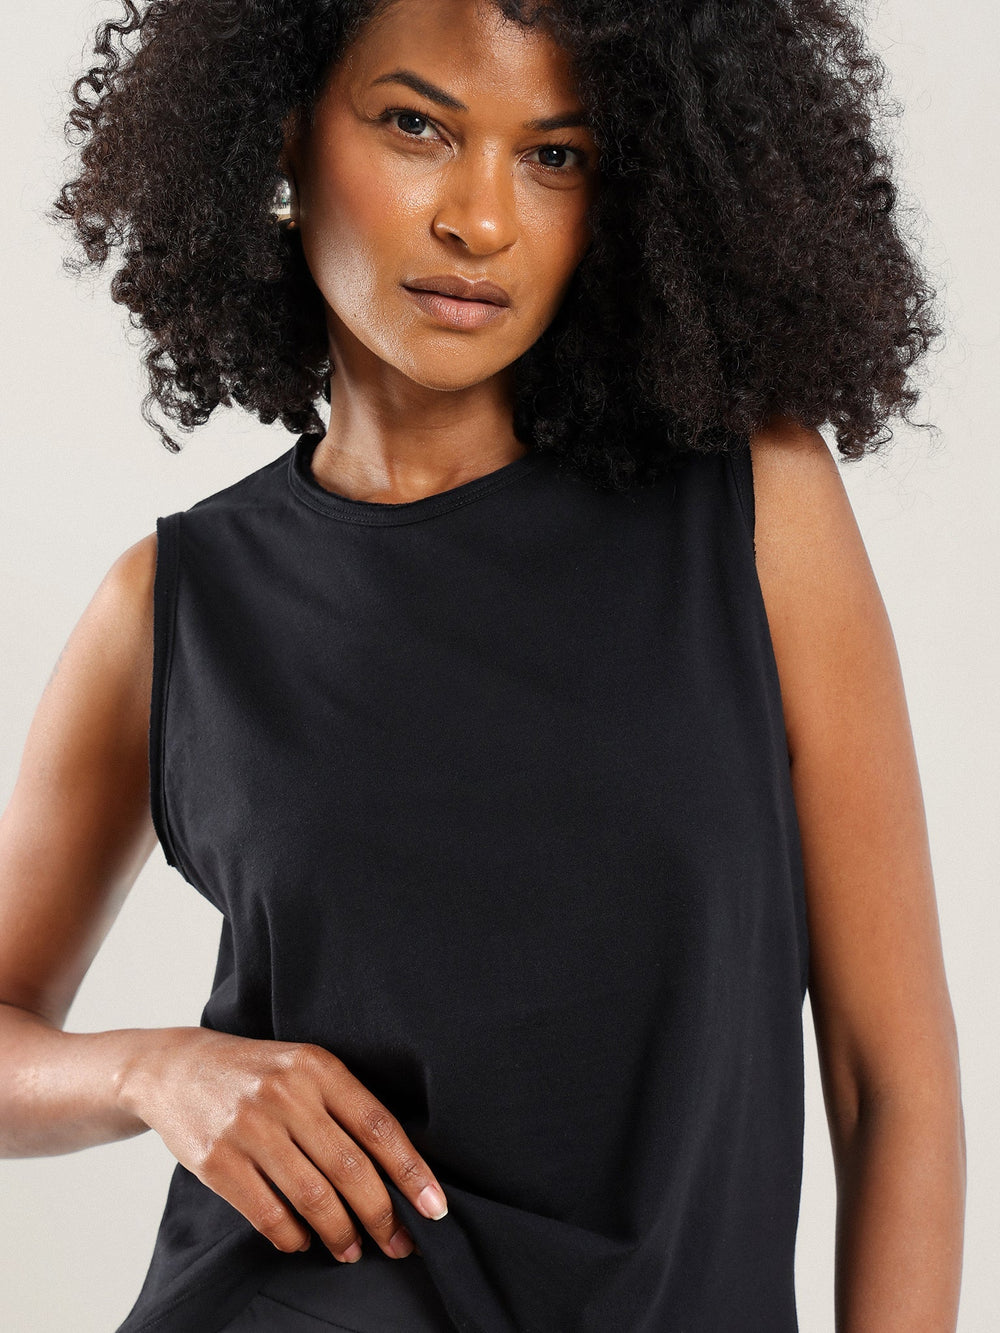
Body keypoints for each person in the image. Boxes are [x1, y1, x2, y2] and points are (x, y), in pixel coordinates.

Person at [0, 0, 966, 1329]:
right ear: (279, 132)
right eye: (417, 125)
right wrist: (155, 1073)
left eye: (554, 154)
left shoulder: (751, 505)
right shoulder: (176, 606)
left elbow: (890, 1079)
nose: (483, 219)